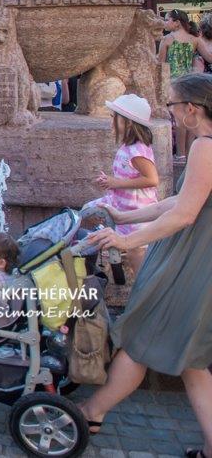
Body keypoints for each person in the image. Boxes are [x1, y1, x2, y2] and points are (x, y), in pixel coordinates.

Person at [78, 73, 212, 455]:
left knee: (139, 339)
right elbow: (178, 201)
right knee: (193, 361)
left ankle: (93, 410)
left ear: (192, 108)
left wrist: (126, 239)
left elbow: (184, 213)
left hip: (192, 259)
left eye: (170, 105)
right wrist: (124, 219)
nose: (169, 114)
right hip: (200, 256)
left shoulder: (205, 144)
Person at [87, 94, 160, 278]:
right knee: (87, 211)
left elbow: (152, 179)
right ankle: (110, 261)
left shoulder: (137, 151)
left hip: (137, 211)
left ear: (128, 123)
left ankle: (142, 289)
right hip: (122, 203)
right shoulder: (128, 147)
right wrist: (110, 181)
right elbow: (127, 173)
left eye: (115, 117)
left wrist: (116, 183)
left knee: (137, 255)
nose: (112, 121)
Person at [161, 9, 201, 157]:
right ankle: (190, 154)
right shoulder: (194, 40)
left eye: (167, 19)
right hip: (190, 83)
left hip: (174, 84)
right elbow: (209, 56)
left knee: (179, 119)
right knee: (191, 117)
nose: (165, 23)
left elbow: (160, 64)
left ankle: (180, 154)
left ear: (177, 23)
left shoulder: (167, 39)